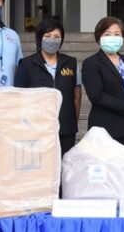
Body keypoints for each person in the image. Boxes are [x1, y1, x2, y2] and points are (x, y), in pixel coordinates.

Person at [14, 17, 81, 153]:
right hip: (36, 129)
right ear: (39, 38)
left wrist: (72, 121)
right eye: (47, 36)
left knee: (65, 162)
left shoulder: (71, 63)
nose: (52, 40)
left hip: (66, 128)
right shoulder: (26, 65)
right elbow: (19, 99)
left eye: (57, 36)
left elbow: (77, 96)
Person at [81, 17, 124, 147]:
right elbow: (97, 96)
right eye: (107, 34)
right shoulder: (91, 63)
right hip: (107, 126)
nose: (112, 38)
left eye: (117, 34)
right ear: (99, 38)